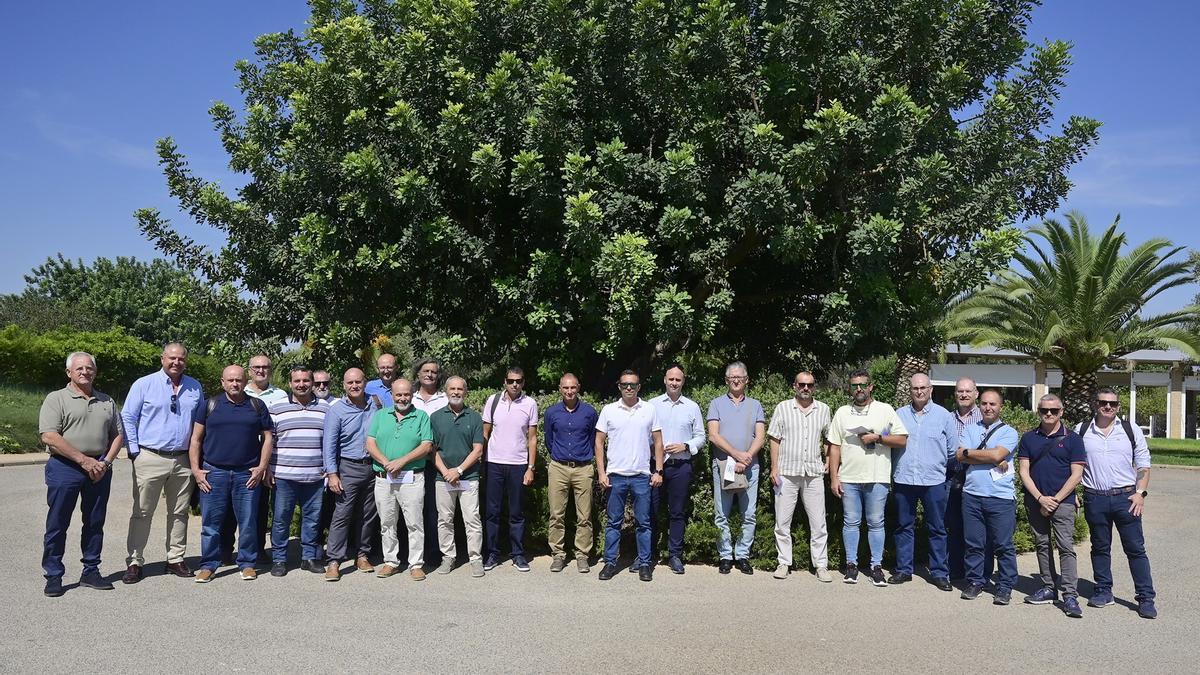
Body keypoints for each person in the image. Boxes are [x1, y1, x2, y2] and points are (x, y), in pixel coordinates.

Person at [39, 351, 124, 597]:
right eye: (79, 369)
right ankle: (53, 575)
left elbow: (118, 435)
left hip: (99, 469)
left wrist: (105, 463)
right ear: (69, 373)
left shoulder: (107, 401)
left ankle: (91, 571)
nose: (85, 372)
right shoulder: (56, 399)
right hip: (65, 468)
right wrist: (84, 460)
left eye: (89, 368)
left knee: (95, 523)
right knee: (57, 523)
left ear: (95, 372)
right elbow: (49, 436)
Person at [120, 342, 205, 583]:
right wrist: (134, 450)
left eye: (181, 359)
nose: (176, 362)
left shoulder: (194, 387)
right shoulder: (144, 384)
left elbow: (200, 423)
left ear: (185, 361)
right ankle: (135, 561)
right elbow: (127, 416)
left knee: (179, 512)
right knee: (142, 512)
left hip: (182, 459)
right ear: (162, 358)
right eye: (172, 358)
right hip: (150, 456)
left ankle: (175, 559)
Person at [1077, 387, 1158, 619]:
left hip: (1127, 498)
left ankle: (1145, 598)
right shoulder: (1082, 430)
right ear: (1095, 404)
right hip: (1095, 498)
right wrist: (1073, 491)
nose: (1108, 407)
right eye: (1104, 403)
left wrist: (1140, 493)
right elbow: (1073, 465)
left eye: (1113, 404)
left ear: (1119, 406)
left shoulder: (1130, 430)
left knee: (1135, 549)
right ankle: (1103, 591)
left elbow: (1143, 464)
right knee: (1100, 547)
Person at [189, 365, 274, 582]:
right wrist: (196, 471)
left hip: (246, 474)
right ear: (222, 382)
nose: (234, 383)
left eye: (238, 380)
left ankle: (247, 563)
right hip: (213, 472)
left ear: (246, 382)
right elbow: (196, 440)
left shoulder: (256, 405)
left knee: (248, 522)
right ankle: (209, 565)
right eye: (230, 380)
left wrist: (262, 466)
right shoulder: (209, 405)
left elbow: (268, 437)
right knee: (211, 524)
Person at [827, 369, 908, 586]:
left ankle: (876, 567)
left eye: (863, 385)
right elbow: (834, 447)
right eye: (854, 386)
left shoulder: (885, 409)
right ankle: (851, 565)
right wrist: (834, 477)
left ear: (871, 386)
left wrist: (879, 438)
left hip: (877, 477)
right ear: (849, 389)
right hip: (849, 478)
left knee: (876, 523)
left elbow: (902, 439)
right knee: (851, 522)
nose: (859, 389)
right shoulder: (842, 412)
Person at [1018, 393, 1087, 617]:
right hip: (1036, 501)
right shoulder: (1028, 438)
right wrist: (1040, 498)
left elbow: (1077, 474)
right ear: (1038, 411)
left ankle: (1069, 595)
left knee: (1066, 547)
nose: (1049, 414)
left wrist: (1055, 499)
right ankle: (1048, 587)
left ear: (1061, 412)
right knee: (1042, 544)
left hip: (1063, 503)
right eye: (1044, 410)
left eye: (1054, 411)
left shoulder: (1073, 439)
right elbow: (1023, 472)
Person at [596, 370, 665, 582]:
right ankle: (610, 563)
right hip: (615, 475)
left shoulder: (649, 409)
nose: (629, 388)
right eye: (625, 384)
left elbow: (659, 442)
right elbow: (599, 442)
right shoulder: (609, 410)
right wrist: (601, 472)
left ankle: (644, 564)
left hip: (642, 475)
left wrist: (659, 470)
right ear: (619, 386)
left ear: (639, 387)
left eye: (633, 385)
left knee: (644, 523)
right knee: (613, 522)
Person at [891, 373, 957, 590]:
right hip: (904, 479)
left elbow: (952, 451)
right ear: (910, 390)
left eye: (923, 388)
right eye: (915, 388)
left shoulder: (944, 416)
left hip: (934, 481)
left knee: (937, 528)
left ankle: (939, 573)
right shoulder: (898, 415)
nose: (919, 391)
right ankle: (903, 570)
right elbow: (886, 439)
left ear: (931, 390)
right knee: (903, 526)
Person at [767, 370, 832, 582]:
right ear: (794, 385)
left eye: (810, 385)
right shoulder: (783, 408)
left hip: (813, 473)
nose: (806, 388)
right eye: (802, 384)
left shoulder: (824, 409)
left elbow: (828, 439)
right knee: (782, 522)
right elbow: (774, 439)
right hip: (786, 472)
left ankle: (821, 565)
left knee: (818, 522)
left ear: (815, 387)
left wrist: (829, 460)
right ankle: (784, 562)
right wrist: (774, 468)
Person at [956, 389, 1020, 604]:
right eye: (984, 403)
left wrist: (972, 453)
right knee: (974, 543)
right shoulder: (969, 428)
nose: (988, 407)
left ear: (1001, 406)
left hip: (1000, 498)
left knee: (1003, 545)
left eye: (993, 404)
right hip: (972, 495)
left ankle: (1005, 586)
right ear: (979, 405)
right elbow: (959, 455)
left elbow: (997, 454)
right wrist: (988, 457)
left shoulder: (1009, 432)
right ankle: (975, 581)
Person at [366, 378, 433, 581]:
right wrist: (387, 463)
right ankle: (391, 562)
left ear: (411, 395)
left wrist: (401, 462)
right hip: (384, 478)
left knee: (414, 523)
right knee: (387, 522)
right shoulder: (380, 415)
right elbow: (370, 443)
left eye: (406, 394)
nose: (403, 398)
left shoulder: (421, 416)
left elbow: (426, 445)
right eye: (398, 395)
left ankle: (416, 564)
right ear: (392, 396)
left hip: (411, 478)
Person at [268, 365, 331, 576]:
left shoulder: (325, 408)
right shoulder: (276, 408)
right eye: (297, 381)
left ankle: (309, 558)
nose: (302, 384)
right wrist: (267, 468)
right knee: (281, 519)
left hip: (314, 476)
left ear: (312, 382)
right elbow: (269, 441)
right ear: (290, 383)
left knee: (312, 520)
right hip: (285, 475)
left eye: (306, 380)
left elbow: (329, 442)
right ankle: (279, 559)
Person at [321, 368, 383, 581]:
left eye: (358, 382)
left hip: (373, 467)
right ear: (344, 385)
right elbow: (328, 445)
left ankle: (362, 555)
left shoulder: (375, 404)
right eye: (350, 383)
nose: (354, 386)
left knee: (368, 515)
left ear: (365, 382)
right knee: (342, 515)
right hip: (348, 467)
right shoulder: (336, 410)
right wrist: (332, 474)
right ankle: (334, 560)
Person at [706, 361, 766, 575]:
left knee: (748, 514)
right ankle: (725, 556)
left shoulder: (756, 405)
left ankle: (742, 555)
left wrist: (747, 456)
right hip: (724, 465)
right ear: (726, 380)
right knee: (722, 513)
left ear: (747, 380)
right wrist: (736, 454)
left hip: (750, 466)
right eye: (732, 377)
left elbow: (760, 436)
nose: (736, 380)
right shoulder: (716, 404)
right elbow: (713, 435)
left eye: (740, 376)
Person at [649, 364, 705, 575]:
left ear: (683, 382)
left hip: (681, 465)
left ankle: (675, 555)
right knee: (650, 511)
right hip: (655, 466)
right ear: (664, 380)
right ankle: (647, 555)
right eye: (671, 379)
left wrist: (686, 445)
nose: (674, 383)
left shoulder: (692, 407)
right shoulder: (652, 405)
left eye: (678, 380)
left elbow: (701, 436)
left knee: (677, 513)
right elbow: (644, 433)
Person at [481, 366, 539, 572]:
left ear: (524, 382)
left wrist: (530, 467)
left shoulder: (530, 403)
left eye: (519, 381)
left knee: (516, 513)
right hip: (494, 463)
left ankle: (518, 554)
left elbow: (532, 438)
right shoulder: (493, 401)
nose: (515, 384)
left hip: (518, 465)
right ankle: (492, 554)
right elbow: (485, 434)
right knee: (492, 512)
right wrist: (480, 461)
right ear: (504, 381)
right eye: (511, 380)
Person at [543, 373, 600, 573]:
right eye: (565, 388)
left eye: (573, 388)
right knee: (556, 514)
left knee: (584, 515)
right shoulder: (551, 412)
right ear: (560, 388)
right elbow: (549, 440)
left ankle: (582, 555)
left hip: (583, 468)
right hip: (558, 467)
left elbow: (595, 440)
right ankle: (558, 554)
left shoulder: (589, 412)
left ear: (578, 388)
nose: (569, 391)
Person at [430, 376, 486, 577]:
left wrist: (459, 470)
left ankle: (475, 559)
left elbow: (478, 450)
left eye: (459, 389)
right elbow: (432, 449)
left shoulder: (474, 417)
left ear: (465, 391)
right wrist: (446, 472)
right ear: (446, 391)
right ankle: (448, 557)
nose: (455, 392)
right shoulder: (436, 417)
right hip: (443, 478)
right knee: (444, 519)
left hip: (468, 477)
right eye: (452, 389)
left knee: (472, 519)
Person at [946, 377, 986, 581]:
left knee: (977, 529)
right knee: (954, 525)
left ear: (976, 394)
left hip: (977, 477)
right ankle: (956, 570)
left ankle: (980, 573)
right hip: (951, 477)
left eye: (968, 391)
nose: (964, 394)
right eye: (960, 391)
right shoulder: (947, 418)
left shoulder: (984, 417)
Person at [410, 358, 447, 568]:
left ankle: (433, 551)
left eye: (433, 372)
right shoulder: (409, 397)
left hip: (435, 462)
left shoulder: (444, 399)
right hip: (412, 462)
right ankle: (410, 550)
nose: (430, 375)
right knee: (411, 508)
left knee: (433, 509)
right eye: (426, 371)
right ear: (418, 374)